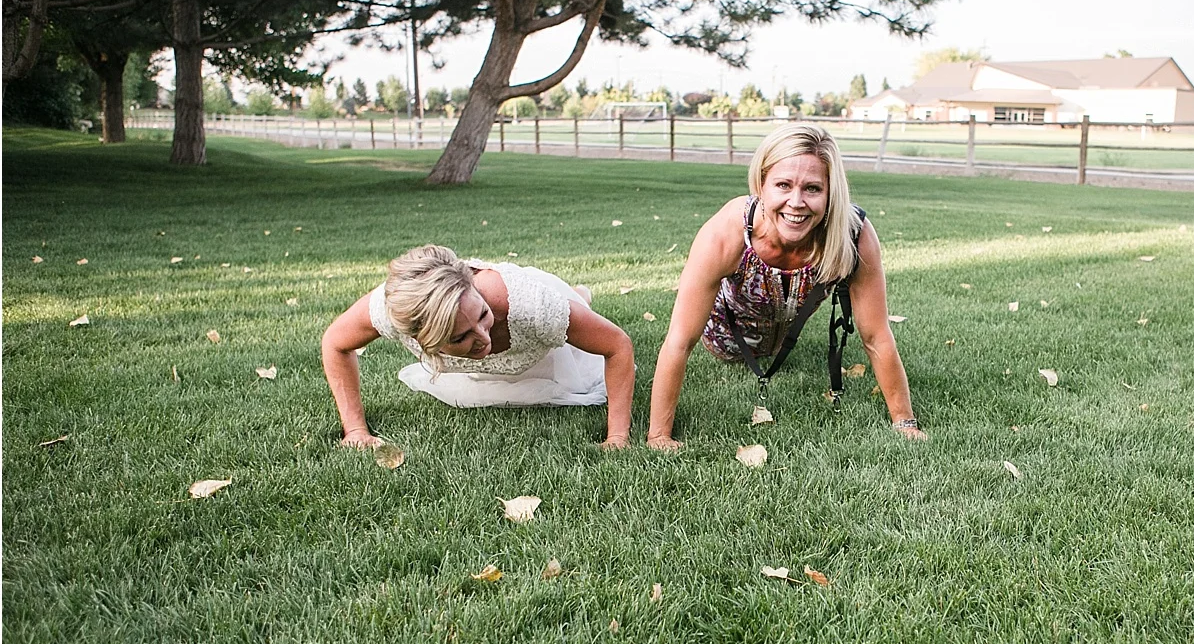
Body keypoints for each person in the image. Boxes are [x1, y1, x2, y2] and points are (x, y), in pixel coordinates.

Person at [647, 123, 926, 450]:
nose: (796, 202)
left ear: (831, 191)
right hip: (728, 334)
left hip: (786, 330)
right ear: (761, 184)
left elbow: (876, 334)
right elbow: (680, 339)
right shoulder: (729, 230)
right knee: (733, 350)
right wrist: (659, 435)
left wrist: (905, 423)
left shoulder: (853, 235)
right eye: (783, 185)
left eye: (812, 189)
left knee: (778, 342)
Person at [322, 245, 634, 448]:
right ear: (419, 337)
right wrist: (355, 430)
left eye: (482, 316)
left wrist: (617, 437)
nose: (483, 338)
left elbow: (617, 346)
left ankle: (577, 297)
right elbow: (335, 343)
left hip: (539, 329)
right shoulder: (389, 312)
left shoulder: (529, 305)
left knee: (573, 322)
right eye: (460, 337)